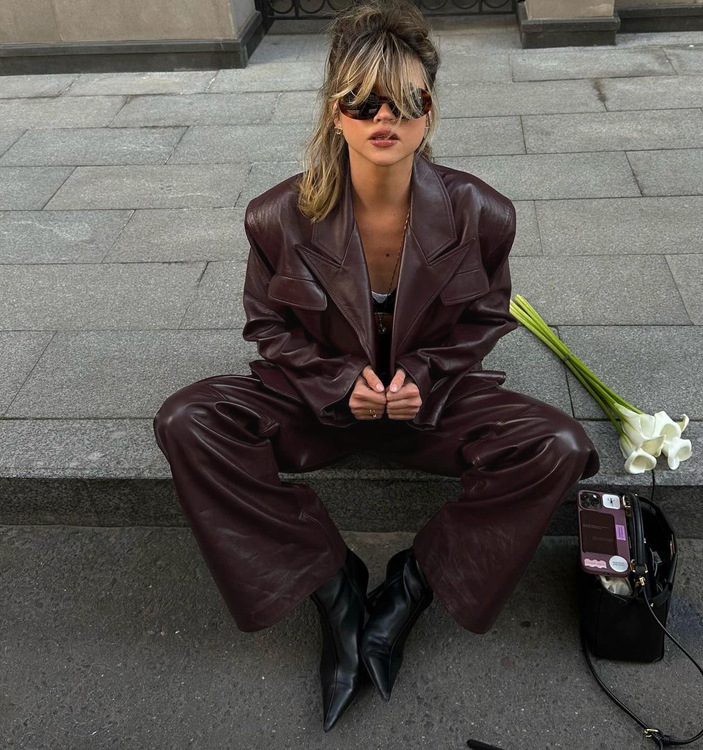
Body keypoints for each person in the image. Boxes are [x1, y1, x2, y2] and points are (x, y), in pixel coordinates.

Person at [153, 0, 600, 733]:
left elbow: (485, 317)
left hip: (433, 407)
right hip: (316, 406)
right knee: (186, 420)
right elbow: (267, 325)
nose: (383, 116)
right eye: (362, 101)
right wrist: (336, 383)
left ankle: (409, 589)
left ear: (430, 112)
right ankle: (333, 586)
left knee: (560, 445)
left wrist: (423, 376)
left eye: (404, 100)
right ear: (336, 112)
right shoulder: (276, 217)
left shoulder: (482, 214)